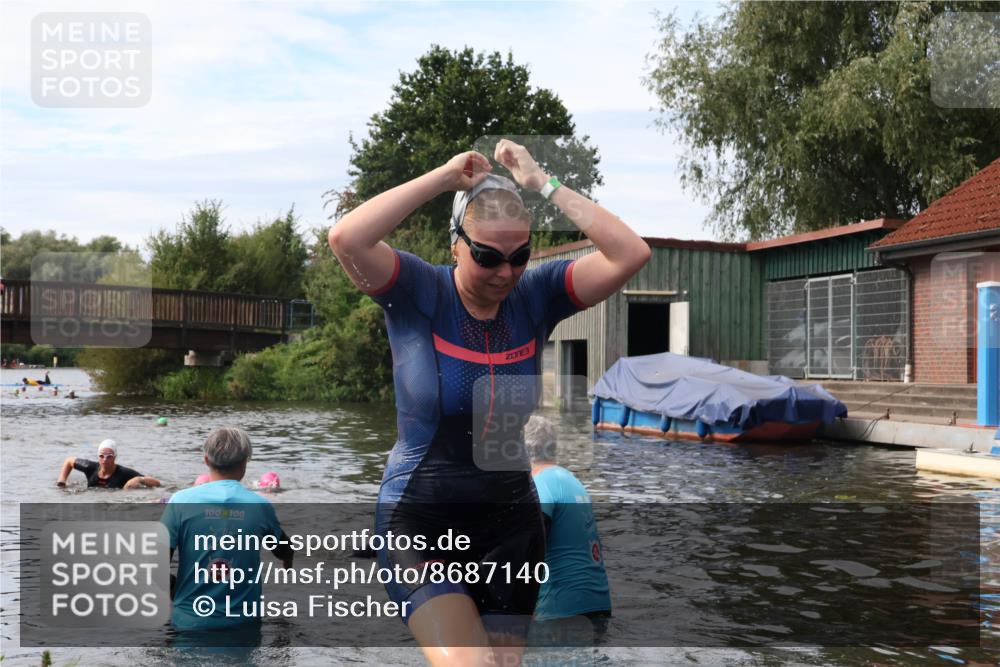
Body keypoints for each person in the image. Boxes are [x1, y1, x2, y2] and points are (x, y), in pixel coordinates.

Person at [328, 138, 649, 666]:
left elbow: (630, 253)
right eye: (487, 257)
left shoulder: (536, 295)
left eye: (519, 256)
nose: (505, 273)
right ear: (455, 243)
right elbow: (346, 237)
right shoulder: (417, 293)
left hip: (509, 526)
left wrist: (541, 183)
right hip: (421, 519)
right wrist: (444, 176)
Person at [161, 427, 293, 638]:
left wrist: (173, 588)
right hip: (244, 625)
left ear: (206, 460)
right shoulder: (260, 506)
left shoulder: (180, 501)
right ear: (244, 463)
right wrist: (289, 563)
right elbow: (284, 549)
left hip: (189, 623)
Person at [525, 415, 611, 641]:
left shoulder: (540, 483)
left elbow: (534, 545)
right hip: (597, 604)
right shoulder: (572, 480)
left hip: (560, 612)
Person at [56, 439, 161, 489]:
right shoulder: (90, 467)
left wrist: (139, 479)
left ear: (115, 457)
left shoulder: (124, 473)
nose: (105, 460)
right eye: (101, 456)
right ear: (98, 456)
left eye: (109, 457)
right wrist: (62, 481)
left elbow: (157, 483)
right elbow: (69, 461)